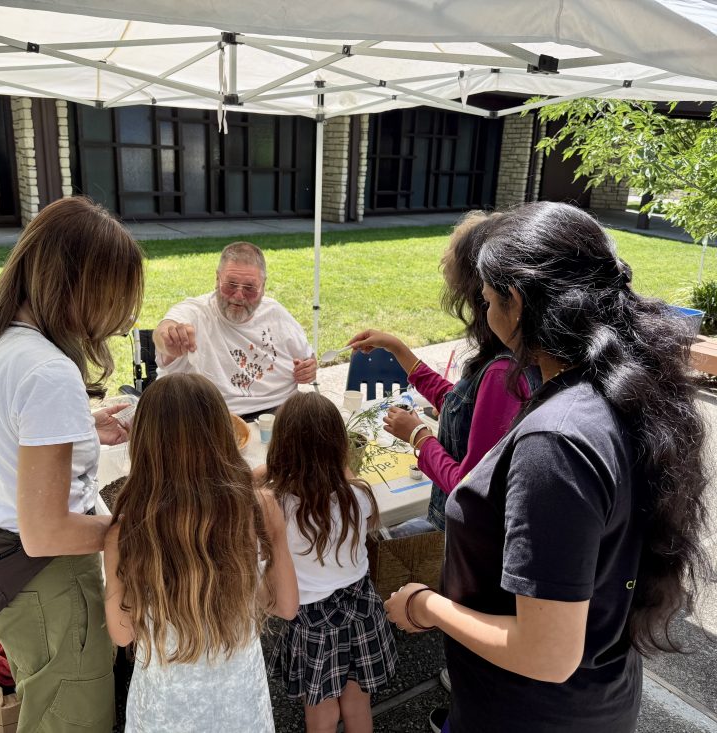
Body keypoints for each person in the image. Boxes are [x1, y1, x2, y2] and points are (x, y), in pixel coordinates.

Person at [384, 201, 710, 733]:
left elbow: (546, 653)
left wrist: (426, 606)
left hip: (528, 714)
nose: (486, 315)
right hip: (599, 696)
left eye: (488, 301)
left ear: (515, 301)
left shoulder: (556, 442)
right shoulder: (623, 392)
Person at [0, 196, 144, 732]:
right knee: (71, 718)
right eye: (115, 296)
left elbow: (0, 447)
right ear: (80, 284)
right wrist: (138, 528)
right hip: (47, 579)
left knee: (44, 702)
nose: (120, 318)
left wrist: (82, 427)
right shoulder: (47, 371)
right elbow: (46, 530)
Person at [103, 373, 299, 733]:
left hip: (164, 710)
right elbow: (285, 606)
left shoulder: (127, 532)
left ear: (145, 445)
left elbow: (121, 633)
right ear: (222, 436)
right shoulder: (259, 508)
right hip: (240, 705)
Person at [348, 211, 539, 536]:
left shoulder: (502, 372)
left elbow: (466, 486)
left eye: (485, 299)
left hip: (455, 534)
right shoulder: (509, 359)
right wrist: (397, 349)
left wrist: (418, 436)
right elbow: (459, 403)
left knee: (371, 536)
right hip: (454, 525)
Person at [262, 391, 397, 733]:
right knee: (357, 703)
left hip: (313, 621)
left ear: (280, 449)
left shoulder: (277, 507)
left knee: (321, 712)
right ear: (340, 447)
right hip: (362, 610)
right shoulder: (360, 497)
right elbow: (344, 475)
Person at [152, 241, 317, 420]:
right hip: (213, 421)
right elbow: (163, 331)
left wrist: (309, 369)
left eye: (249, 288)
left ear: (263, 286)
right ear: (217, 279)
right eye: (230, 285)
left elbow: (308, 359)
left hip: (281, 415)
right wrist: (169, 339)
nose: (238, 296)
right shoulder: (195, 312)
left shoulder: (275, 313)